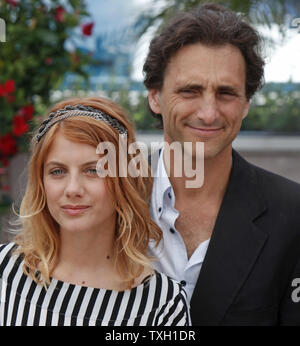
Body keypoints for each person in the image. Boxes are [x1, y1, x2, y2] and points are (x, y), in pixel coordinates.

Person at [143, 3, 300, 325]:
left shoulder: (294, 214)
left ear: (245, 104)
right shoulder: (104, 196)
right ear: (155, 96)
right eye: (190, 91)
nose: (209, 113)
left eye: (226, 93)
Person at [0, 97, 190, 326]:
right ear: (41, 182)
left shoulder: (163, 305)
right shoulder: (4, 270)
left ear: (123, 181)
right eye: (58, 171)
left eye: (92, 170)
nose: (72, 189)